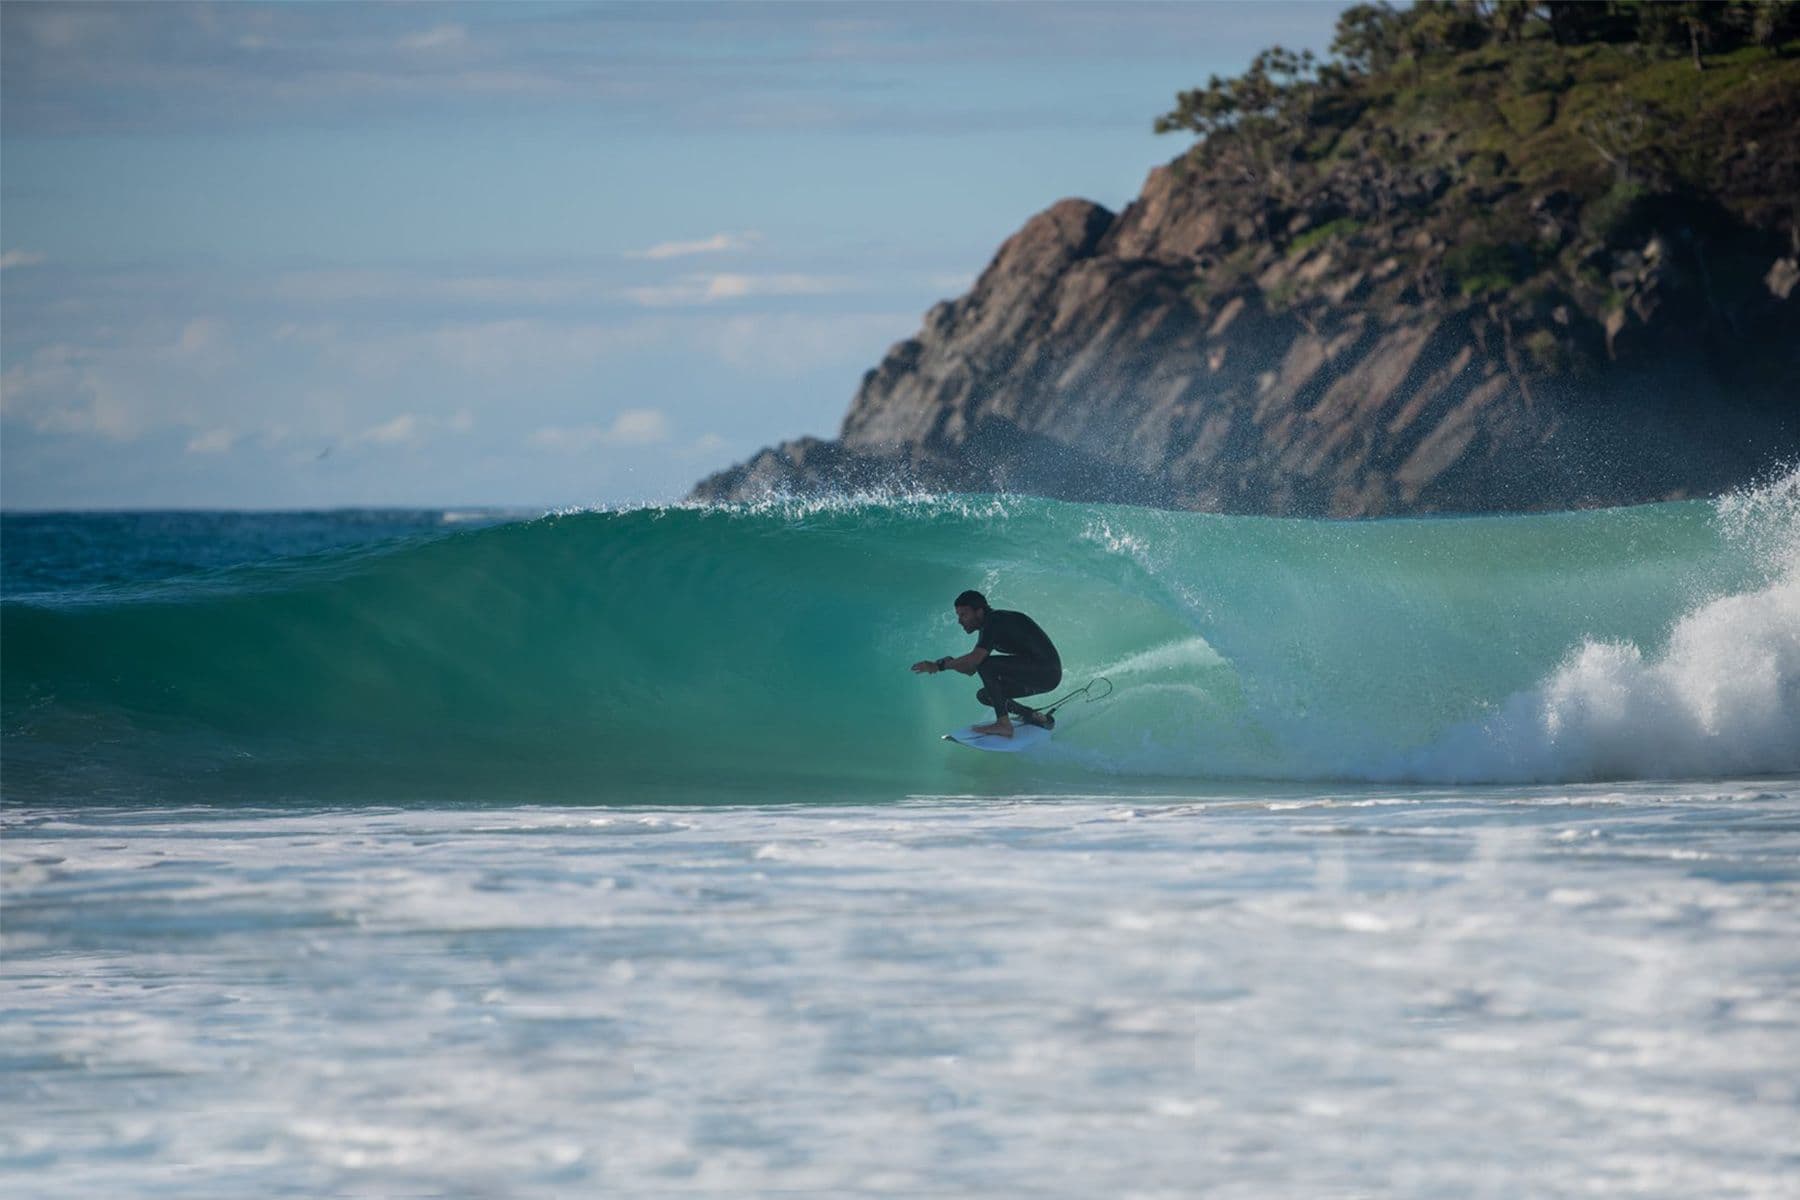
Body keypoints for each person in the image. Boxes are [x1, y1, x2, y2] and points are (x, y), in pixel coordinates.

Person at [912, 589, 1061, 738]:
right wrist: (950, 663)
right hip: (1042, 675)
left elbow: (976, 661)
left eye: (964, 614)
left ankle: (1003, 724)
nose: (959, 621)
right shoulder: (988, 627)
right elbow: (971, 668)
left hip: (1047, 671)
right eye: (959, 616)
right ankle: (1032, 715)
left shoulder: (995, 621)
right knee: (986, 695)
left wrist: (939, 666)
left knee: (987, 665)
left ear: (979, 611)